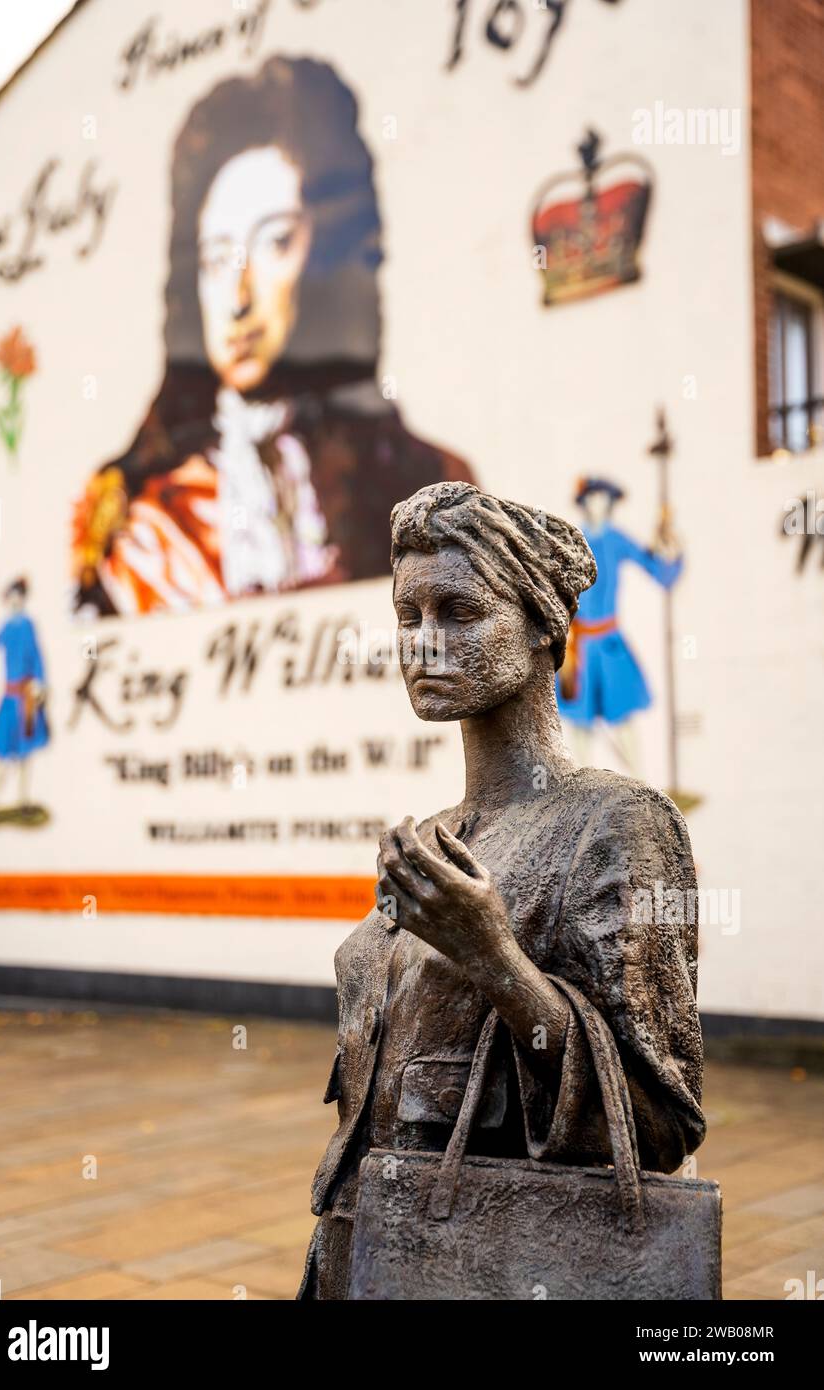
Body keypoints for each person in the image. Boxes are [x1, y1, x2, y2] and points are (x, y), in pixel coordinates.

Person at [298, 480, 705, 1299]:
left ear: (543, 625)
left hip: (480, 1270)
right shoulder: (430, 839)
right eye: (408, 617)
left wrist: (495, 959)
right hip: (360, 1266)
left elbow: (659, 1125)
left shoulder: (614, 825)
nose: (424, 644)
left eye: (458, 611)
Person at [72, 58, 473, 617]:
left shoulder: (431, 485)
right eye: (215, 260)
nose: (238, 297)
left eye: (276, 242)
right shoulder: (151, 527)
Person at [556, 476, 683, 774]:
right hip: (580, 647)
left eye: (603, 498)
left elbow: (658, 571)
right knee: (581, 724)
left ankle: (640, 781)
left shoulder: (616, 539)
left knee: (622, 718)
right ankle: (579, 784)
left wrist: (669, 546)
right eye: (592, 498)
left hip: (610, 643)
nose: (597, 504)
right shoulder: (573, 541)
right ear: (584, 503)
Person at [0, 577, 49, 812]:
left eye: (18, 595)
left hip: (25, 698)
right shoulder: (6, 626)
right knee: (3, 751)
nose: (15, 600)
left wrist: (40, 682)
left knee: (25, 753)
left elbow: (37, 657)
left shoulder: (27, 625)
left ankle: (22, 799)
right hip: (9, 698)